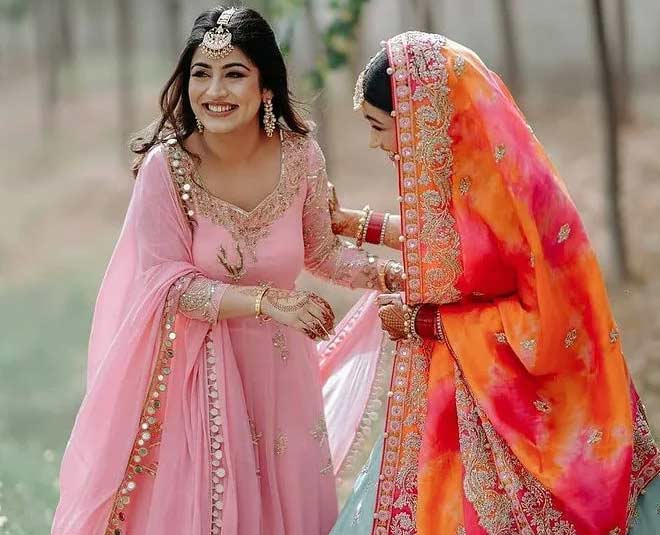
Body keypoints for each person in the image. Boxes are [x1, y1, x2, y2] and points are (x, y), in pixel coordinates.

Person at [50, 7, 403, 535]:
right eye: (201, 72)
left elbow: (322, 253)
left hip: (285, 379)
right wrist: (267, 301)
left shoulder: (301, 156)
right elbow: (163, 284)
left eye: (234, 73)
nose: (214, 89)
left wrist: (390, 277)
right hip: (198, 378)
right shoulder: (167, 169)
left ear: (266, 86)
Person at [329, 31, 660, 535]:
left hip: (523, 411)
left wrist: (427, 322)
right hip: (458, 391)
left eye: (380, 126)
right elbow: (453, 246)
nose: (375, 142)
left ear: (418, 120)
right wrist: (354, 224)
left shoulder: (517, 197)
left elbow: (545, 320)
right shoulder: (469, 171)